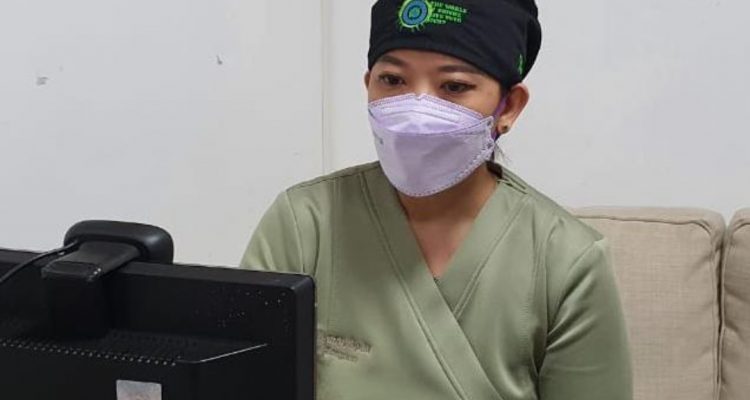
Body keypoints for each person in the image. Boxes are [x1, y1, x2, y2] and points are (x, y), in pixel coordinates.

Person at [241, 0, 633, 399]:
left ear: (509, 107)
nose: (417, 112)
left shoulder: (565, 260)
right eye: (393, 80)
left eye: (454, 86)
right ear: (368, 85)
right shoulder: (305, 223)